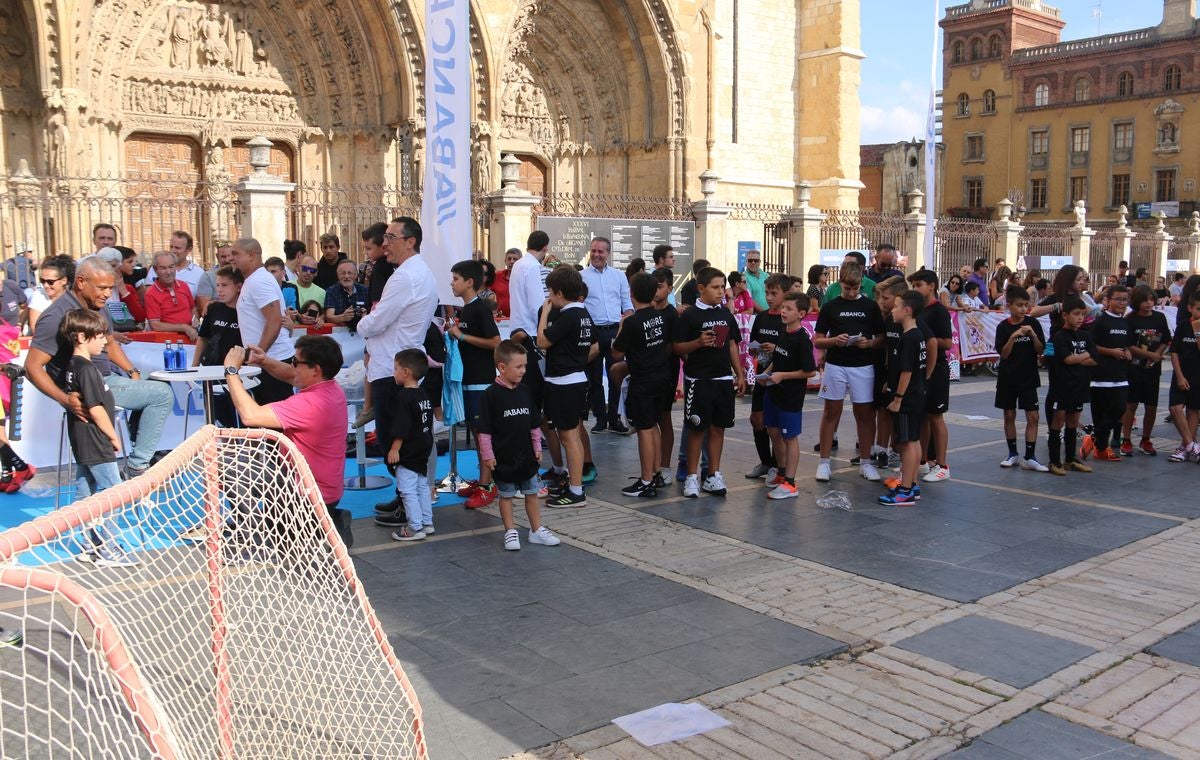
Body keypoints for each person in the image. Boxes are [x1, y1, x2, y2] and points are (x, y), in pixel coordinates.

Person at [26, 256, 172, 478]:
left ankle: (135, 443)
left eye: (111, 288)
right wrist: (65, 399)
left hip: (104, 378)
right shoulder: (55, 316)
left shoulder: (98, 306)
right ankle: (138, 466)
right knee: (161, 394)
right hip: (88, 387)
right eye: (102, 287)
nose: (107, 293)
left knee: (159, 380)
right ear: (81, 282)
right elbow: (32, 367)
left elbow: (110, 343)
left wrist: (132, 371)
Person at [223, 338, 354, 547]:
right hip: (321, 491)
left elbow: (250, 415)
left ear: (315, 370)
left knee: (226, 463)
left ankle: (258, 534)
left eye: (296, 361)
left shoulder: (309, 403)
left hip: (305, 497)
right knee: (252, 456)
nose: (292, 365)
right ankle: (325, 524)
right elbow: (293, 375)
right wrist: (264, 361)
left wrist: (230, 371)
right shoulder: (330, 387)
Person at [356, 217, 439, 518]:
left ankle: (411, 504)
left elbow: (379, 319)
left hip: (392, 367)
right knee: (402, 440)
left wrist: (362, 322)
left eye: (390, 237)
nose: (384, 244)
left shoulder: (405, 276)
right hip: (397, 363)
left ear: (410, 241)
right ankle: (406, 498)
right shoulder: (415, 272)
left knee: (395, 442)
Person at [57, 308, 139, 566]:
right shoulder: (88, 370)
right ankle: (109, 547)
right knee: (110, 492)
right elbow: (96, 408)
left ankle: (87, 543)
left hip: (81, 439)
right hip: (95, 438)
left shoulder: (70, 366)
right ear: (81, 337)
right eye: (101, 336)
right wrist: (113, 436)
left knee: (86, 491)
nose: (105, 341)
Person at [477, 340, 560, 550]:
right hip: (503, 457)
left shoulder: (525, 391)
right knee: (506, 496)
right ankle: (510, 531)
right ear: (502, 367)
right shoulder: (490, 395)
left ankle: (536, 530)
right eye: (519, 367)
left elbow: (534, 424)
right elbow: (484, 431)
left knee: (531, 493)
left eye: (525, 366)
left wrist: (537, 448)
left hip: (526, 456)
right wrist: (488, 456)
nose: (523, 371)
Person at [673, 266, 745, 498]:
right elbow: (677, 347)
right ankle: (692, 477)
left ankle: (713, 474)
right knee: (697, 429)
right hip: (699, 379)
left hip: (722, 378)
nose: (720, 291)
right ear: (701, 288)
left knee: (718, 428)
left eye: (722, 287)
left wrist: (739, 374)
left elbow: (732, 344)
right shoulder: (691, 315)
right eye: (715, 287)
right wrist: (697, 343)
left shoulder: (725, 314)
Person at [814, 263, 884, 482]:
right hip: (836, 364)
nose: (851, 292)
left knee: (864, 414)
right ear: (840, 284)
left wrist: (869, 343)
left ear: (861, 283)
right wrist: (834, 341)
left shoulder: (871, 307)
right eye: (847, 288)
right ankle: (824, 463)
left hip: (863, 366)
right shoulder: (830, 306)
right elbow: (817, 340)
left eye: (855, 288)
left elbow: (882, 337)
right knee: (830, 412)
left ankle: (866, 462)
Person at [536, 266, 595, 508]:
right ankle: (574, 484)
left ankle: (576, 490)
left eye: (550, 292)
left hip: (565, 382)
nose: (549, 296)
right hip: (575, 379)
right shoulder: (584, 314)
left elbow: (542, 341)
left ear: (559, 292)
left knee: (569, 437)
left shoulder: (568, 315)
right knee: (573, 436)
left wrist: (545, 313)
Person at [611, 273, 674, 498]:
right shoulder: (661, 317)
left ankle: (646, 481)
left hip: (643, 381)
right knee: (653, 426)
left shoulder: (632, 321)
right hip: (662, 377)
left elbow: (617, 353)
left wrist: (621, 327)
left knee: (644, 430)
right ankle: (655, 472)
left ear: (631, 293)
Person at [449, 260, 502, 509]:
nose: (452, 283)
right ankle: (484, 479)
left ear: (469, 282)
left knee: (483, 435)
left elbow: (495, 342)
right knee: (475, 430)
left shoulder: (480, 308)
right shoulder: (466, 310)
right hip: (469, 380)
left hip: (481, 381)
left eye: (456, 279)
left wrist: (462, 336)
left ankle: (487, 485)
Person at [758, 292, 816, 499]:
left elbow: (810, 371)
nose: (783, 311)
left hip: (790, 397)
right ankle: (781, 472)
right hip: (773, 392)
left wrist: (783, 376)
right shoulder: (783, 332)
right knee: (773, 430)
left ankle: (790, 483)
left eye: (788, 309)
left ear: (801, 314)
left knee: (790, 437)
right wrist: (767, 373)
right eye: (783, 307)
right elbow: (779, 357)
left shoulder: (802, 340)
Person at [879, 290, 928, 506]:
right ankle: (913, 484)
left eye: (896, 306)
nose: (892, 310)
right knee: (914, 441)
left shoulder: (910, 337)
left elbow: (906, 372)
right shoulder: (917, 335)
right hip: (917, 395)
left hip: (908, 398)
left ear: (907, 311)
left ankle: (906, 490)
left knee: (907, 443)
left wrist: (898, 397)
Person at [380, 349, 435, 541]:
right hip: (423, 447)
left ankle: (414, 527)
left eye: (395, 369)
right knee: (422, 486)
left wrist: (395, 448)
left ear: (406, 372)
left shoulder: (404, 397)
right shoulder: (423, 394)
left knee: (407, 489)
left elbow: (402, 426)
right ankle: (427, 522)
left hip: (409, 451)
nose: (393, 372)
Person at [580, 237, 632, 434]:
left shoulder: (618, 276)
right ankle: (600, 419)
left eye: (600, 251)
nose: (596, 255)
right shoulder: (581, 276)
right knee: (594, 378)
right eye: (593, 250)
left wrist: (624, 329)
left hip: (614, 332)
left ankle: (615, 418)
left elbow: (627, 305)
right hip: (592, 333)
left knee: (615, 376)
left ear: (608, 253)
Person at [232, 239, 295, 404]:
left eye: (236, 254)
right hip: (268, 361)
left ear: (251, 255)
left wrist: (259, 356)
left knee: (273, 421)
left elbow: (274, 320)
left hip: (273, 362)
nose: (233, 258)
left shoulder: (259, 281)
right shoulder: (254, 280)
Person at [994, 285, 1048, 471]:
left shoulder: (1033, 324)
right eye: (1019, 305)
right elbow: (1004, 354)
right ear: (1009, 306)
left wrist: (1033, 336)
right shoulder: (1003, 327)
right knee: (1009, 415)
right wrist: (1013, 337)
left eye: (1026, 305)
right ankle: (1012, 454)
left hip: (1028, 377)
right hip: (1008, 378)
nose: (1023, 309)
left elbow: (1042, 351)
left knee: (1033, 416)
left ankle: (1030, 456)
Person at [907, 270, 953, 483]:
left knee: (936, 416)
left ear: (932, 286)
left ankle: (942, 464)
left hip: (937, 370)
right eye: (913, 285)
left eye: (919, 285)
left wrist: (926, 340)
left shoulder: (939, 311)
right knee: (923, 415)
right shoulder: (917, 311)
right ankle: (923, 460)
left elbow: (947, 342)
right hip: (920, 369)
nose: (915, 289)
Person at [745, 274, 790, 479]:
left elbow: (793, 348)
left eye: (774, 293)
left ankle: (778, 466)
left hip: (780, 379)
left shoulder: (787, 319)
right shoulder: (762, 317)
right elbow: (753, 344)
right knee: (757, 419)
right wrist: (757, 350)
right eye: (767, 293)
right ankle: (765, 462)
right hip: (763, 375)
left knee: (775, 424)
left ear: (786, 294)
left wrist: (776, 349)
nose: (769, 298)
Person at [1045, 297, 1096, 475]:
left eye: (1082, 314)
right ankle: (1054, 461)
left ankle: (1070, 459)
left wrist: (1078, 358)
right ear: (1065, 315)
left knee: (1073, 422)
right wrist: (1085, 355)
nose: (1080, 318)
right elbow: (1066, 359)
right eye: (1076, 314)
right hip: (1061, 387)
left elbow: (1093, 360)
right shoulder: (1058, 336)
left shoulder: (1085, 335)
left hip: (1079, 386)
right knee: (1057, 422)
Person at [1081, 285, 1132, 463]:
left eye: (1125, 300)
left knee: (1119, 408)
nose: (1121, 303)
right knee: (1101, 414)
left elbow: (1126, 344)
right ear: (1108, 301)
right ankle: (1101, 449)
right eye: (1118, 299)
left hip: (1120, 375)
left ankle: (1093, 437)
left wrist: (1127, 351)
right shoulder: (1099, 321)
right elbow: (1091, 346)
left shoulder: (1125, 322)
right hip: (1100, 376)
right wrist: (1111, 352)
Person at [1120, 284, 1170, 456]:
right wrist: (1149, 354)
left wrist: (1156, 354)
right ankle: (1126, 439)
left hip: (1152, 370)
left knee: (1151, 406)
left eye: (1151, 300)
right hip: (1133, 369)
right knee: (1131, 404)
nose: (1149, 304)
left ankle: (1146, 439)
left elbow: (1166, 339)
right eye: (1145, 300)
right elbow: (1129, 345)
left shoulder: (1160, 318)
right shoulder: (1130, 319)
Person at [191, 266, 243, 427]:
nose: (219, 290)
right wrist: (194, 366)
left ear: (238, 287)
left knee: (239, 418)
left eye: (224, 285)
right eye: (218, 285)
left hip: (239, 371)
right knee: (218, 417)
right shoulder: (213, 308)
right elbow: (203, 338)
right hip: (213, 370)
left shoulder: (247, 310)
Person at [650, 267, 680, 484]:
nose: (656, 291)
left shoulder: (671, 314)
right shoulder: (648, 312)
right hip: (648, 372)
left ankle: (665, 465)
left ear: (670, 288)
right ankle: (652, 466)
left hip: (665, 371)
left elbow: (671, 347)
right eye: (653, 286)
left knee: (664, 418)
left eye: (660, 287)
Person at [1167, 292, 1200, 462]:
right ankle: (1191, 445)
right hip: (1181, 373)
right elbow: (1174, 352)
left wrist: (1198, 333)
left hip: (1197, 376)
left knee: (1193, 410)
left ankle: (1185, 446)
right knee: (1175, 408)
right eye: (1198, 309)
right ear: (1190, 308)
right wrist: (1179, 376)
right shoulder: (1182, 325)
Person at [144, 251, 198, 339]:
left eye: (171, 267)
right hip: (167, 341)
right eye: (163, 268)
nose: (168, 272)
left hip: (190, 337)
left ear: (176, 266)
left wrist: (195, 320)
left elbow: (193, 309)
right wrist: (183, 327)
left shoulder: (183, 285)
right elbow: (155, 325)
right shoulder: (151, 293)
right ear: (155, 269)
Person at [324, 260, 369, 330]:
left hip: (362, 334)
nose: (346, 276)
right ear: (338, 275)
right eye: (343, 273)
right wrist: (343, 317)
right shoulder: (331, 291)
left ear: (355, 275)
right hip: (340, 335)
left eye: (350, 273)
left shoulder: (365, 290)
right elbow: (328, 316)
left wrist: (366, 315)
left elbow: (374, 313)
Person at [195, 240, 235, 316]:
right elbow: (205, 308)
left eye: (229, 256)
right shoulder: (208, 276)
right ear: (217, 257)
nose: (227, 260)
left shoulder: (242, 273)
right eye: (223, 256)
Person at [293, 255, 326, 323]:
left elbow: (324, 314)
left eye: (312, 270)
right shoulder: (287, 286)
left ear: (316, 273)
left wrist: (321, 319)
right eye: (305, 268)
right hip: (290, 332)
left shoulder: (322, 293)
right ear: (298, 267)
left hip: (313, 332)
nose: (308, 272)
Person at [493, 248, 520, 317]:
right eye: (509, 259)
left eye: (515, 259)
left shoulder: (525, 277)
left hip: (520, 320)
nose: (511, 261)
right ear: (505, 261)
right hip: (501, 320)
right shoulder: (496, 276)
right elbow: (484, 293)